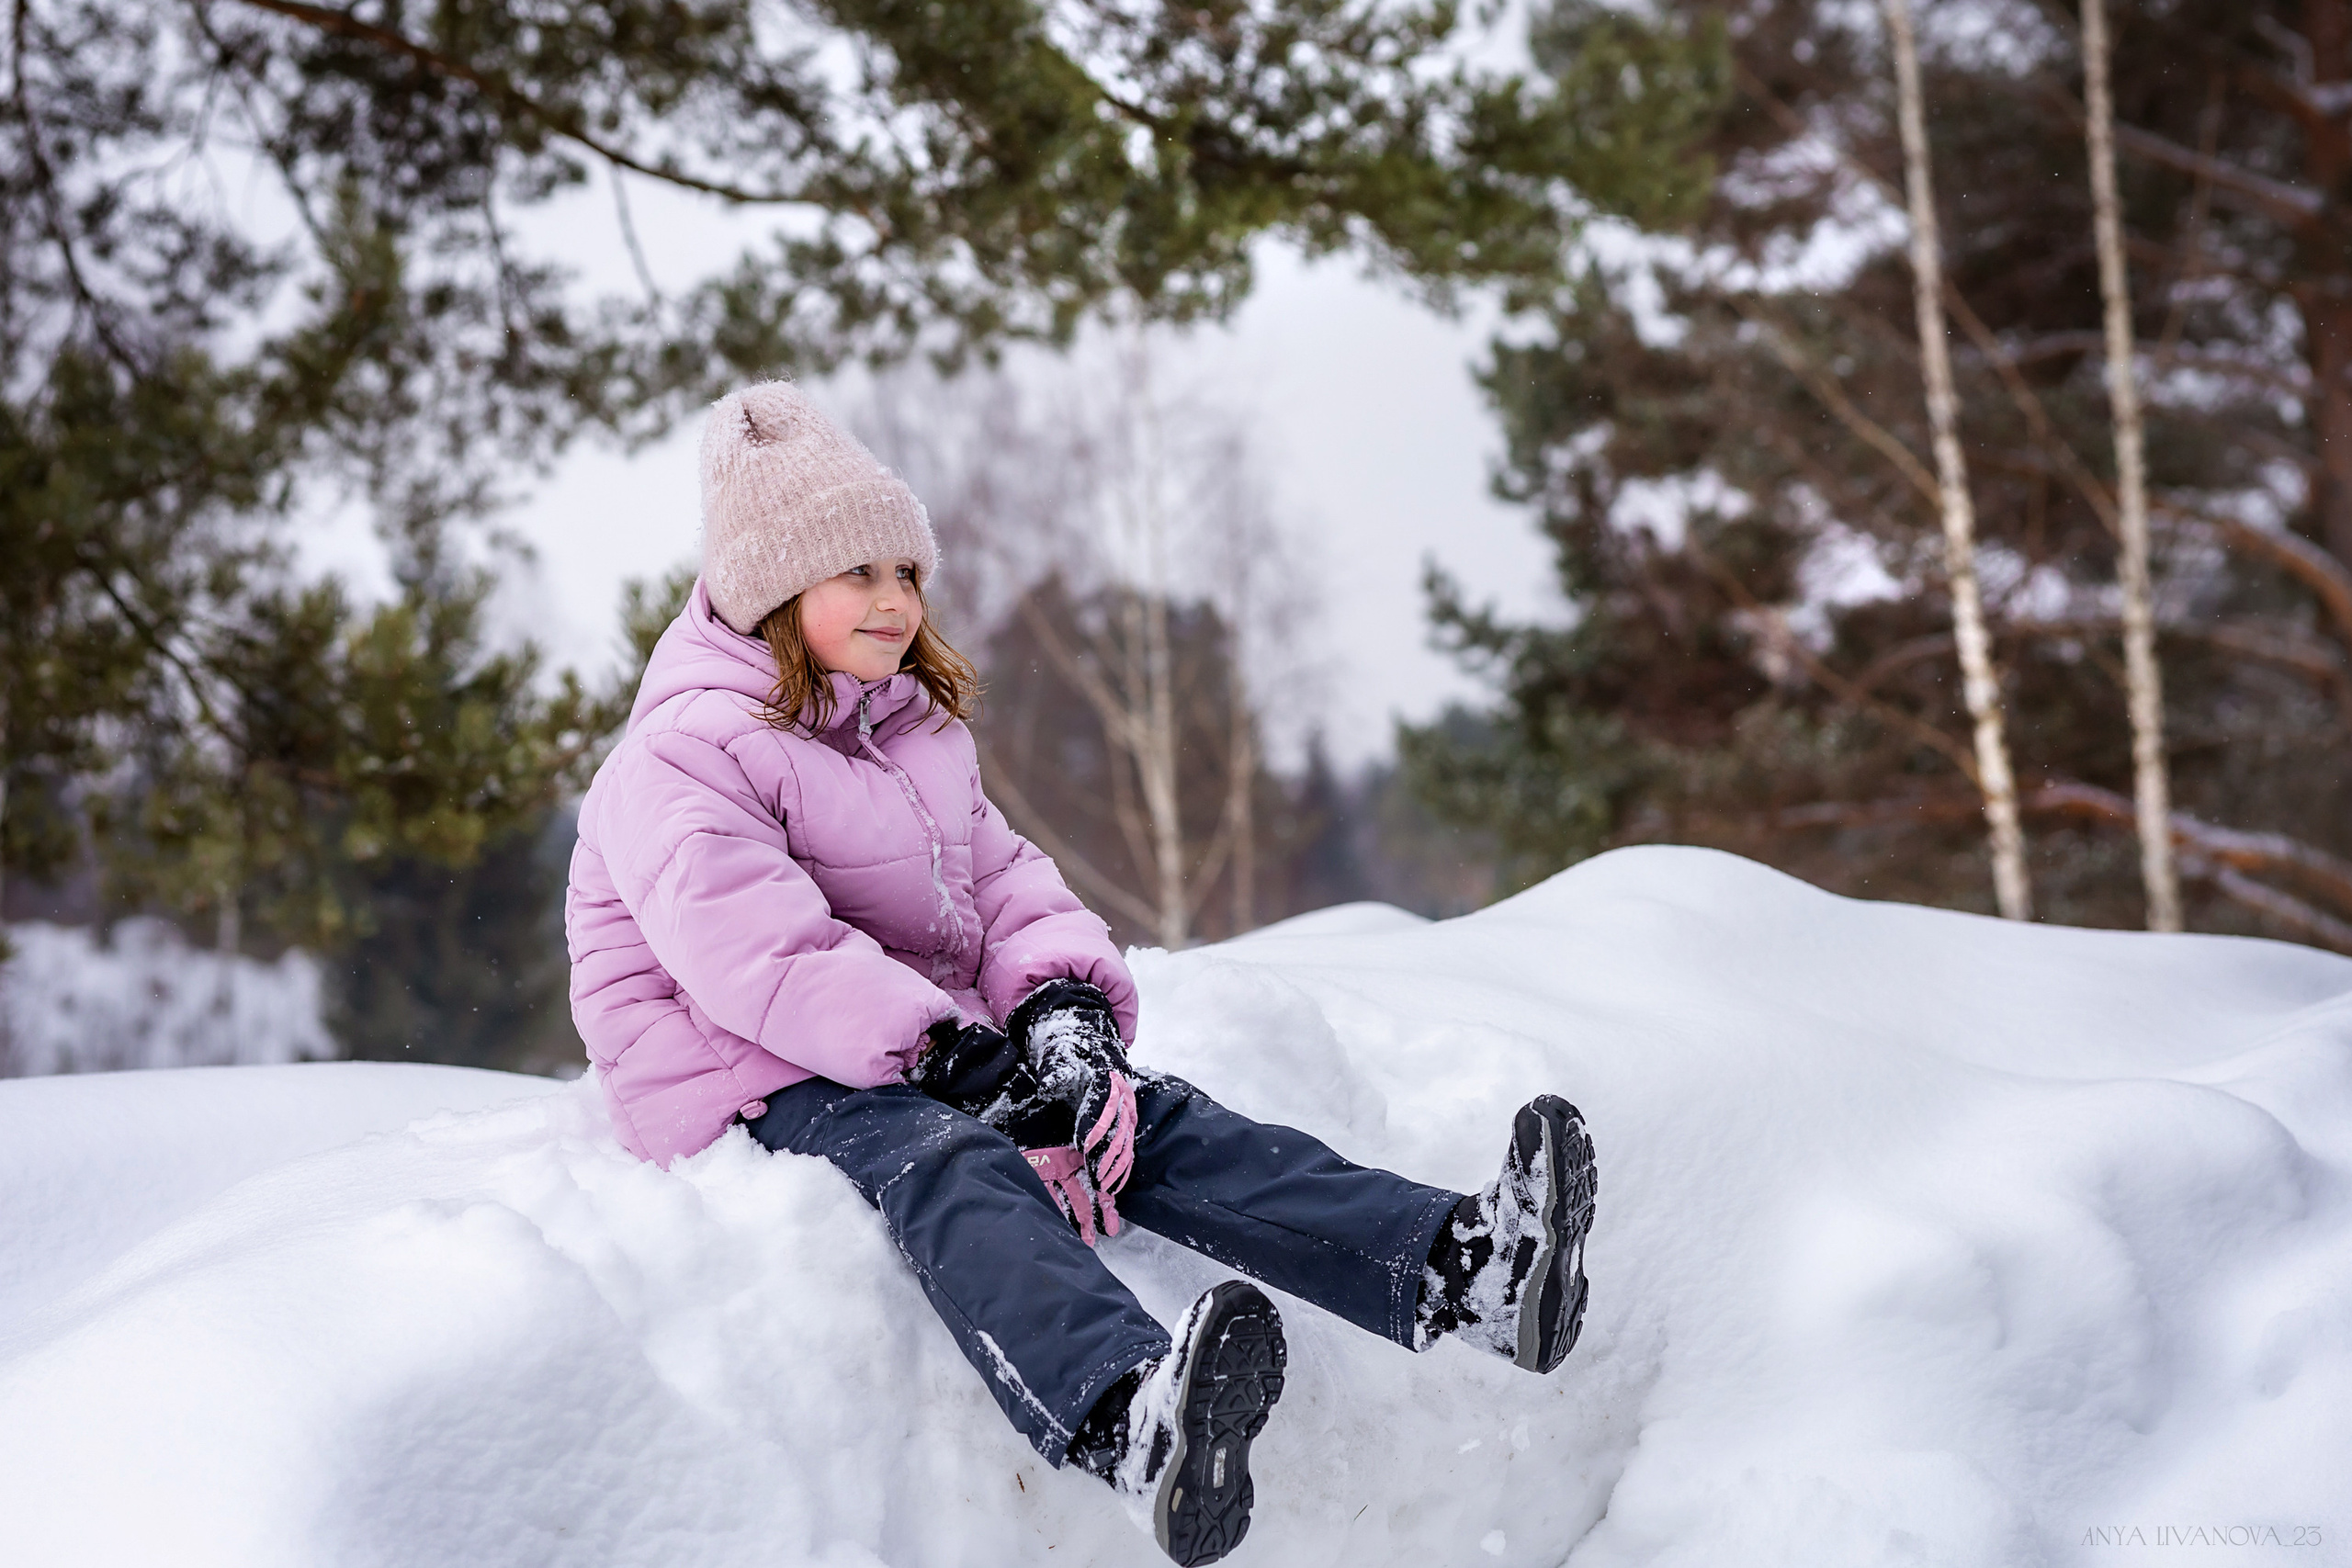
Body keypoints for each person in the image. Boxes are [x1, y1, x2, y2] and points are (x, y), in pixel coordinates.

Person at [565, 381, 1600, 1567]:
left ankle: (1466, 1269)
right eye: (859, 574)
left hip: (888, 1039)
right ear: (771, 591)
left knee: (1142, 1118)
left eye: (908, 572)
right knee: (947, 1159)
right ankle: (1127, 1419)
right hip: (733, 1065)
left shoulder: (904, 734)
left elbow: (1005, 887)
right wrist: (951, 1061)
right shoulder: (681, 752)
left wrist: (1060, 1013)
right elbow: (758, 953)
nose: (897, 601)